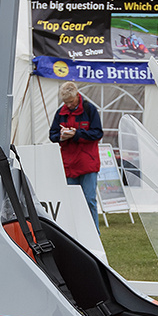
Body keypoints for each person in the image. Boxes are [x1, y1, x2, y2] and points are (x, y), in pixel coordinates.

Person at [49, 80, 103, 226]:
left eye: (71, 101)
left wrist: (76, 134)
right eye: (65, 102)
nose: (68, 105)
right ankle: (75, 233)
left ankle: (94, 235)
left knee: (89, 200)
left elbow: (97, 133)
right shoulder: (60, 113)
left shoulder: (89, 109)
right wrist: (61, 136)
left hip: (87, 163)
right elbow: (52, 135)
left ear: (77, 95)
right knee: (71, 202)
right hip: (69, 165)